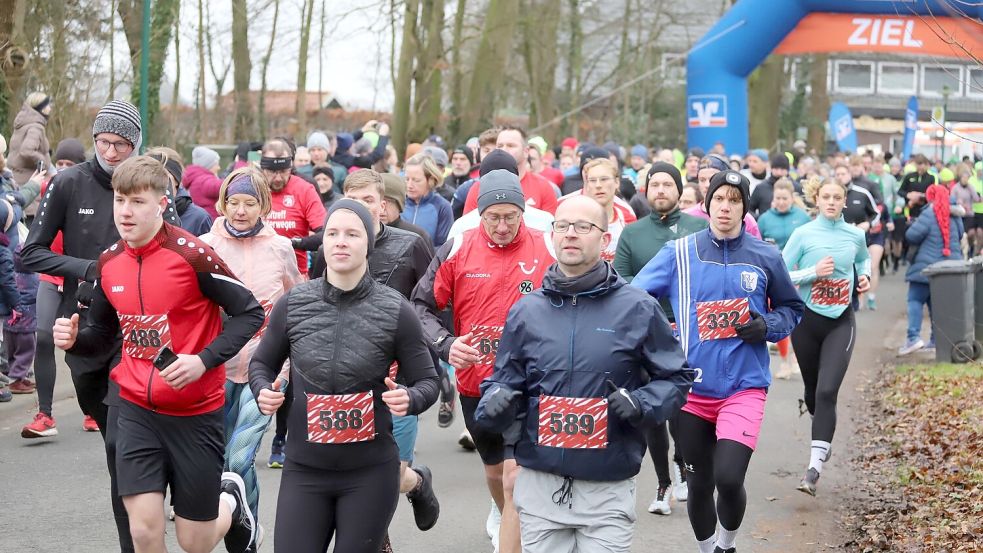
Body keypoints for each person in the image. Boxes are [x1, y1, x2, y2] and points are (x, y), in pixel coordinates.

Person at [52, 154, 265, 553]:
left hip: (195, 412)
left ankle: (231, 503)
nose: (125, 212)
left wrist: (202, 360)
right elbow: (101, 334)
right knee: (145, 532)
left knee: (194, 542)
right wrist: (75, 339)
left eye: (137, 201)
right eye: (119, 200)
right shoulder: (109, 262)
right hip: (134, 408)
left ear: (162, 204)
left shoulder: (192, 255)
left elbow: (249, 313)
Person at [473, 195, 692, 552]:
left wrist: (641, 403)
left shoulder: (638, 308)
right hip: (541, 485)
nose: (570, 234)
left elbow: (677, 378)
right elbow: (504, 381)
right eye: (562, 226)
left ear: (605, 240)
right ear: (552, 235)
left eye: (583, 227)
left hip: (607, 489)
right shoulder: (527, 311)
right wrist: (494, 402)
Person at [21, 99, 180, 551]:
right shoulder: (68, 183)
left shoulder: (153, 183)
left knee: (122, 447)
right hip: (86, 328)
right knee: (117, 446)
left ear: (137, 144)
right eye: (103, 142)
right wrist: (94, 268)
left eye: (121, 144)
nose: (110, 153)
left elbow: (177, 242)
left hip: (142, 330)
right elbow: (30, 252)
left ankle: (137, 536)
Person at [249, 199, 439, 552]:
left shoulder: (396, 310)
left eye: (352, 234)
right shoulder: (293, 305)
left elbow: (428, 381)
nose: (340, 241)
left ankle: (416, 482)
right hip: (305, 468)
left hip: (369, 471)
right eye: (332, 233)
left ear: (368, 243)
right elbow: (261, 364)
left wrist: (410, 398)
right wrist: (263, 389)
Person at [633, 170, 804, 553]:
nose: (725, 207)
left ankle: (727, 544)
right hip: (691, 390)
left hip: (744, 387)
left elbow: (793, 308)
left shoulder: (765, 256)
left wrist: (767, 325)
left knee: (728, 478)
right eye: (719, 199)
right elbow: (634, 298)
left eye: (734, 200)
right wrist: (665, 334)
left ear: (745, 208)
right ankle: (709, 549)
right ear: (707, 204)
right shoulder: (679, 252)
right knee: (699, 484)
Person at [412, 169, 555, 553]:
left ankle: (522, 535)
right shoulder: (459, 247)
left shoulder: (548, 247)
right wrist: (446, 344)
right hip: (477, 381)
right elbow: (421, 306)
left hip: (534, 382)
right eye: (494, 217)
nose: (503, 225)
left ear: (523, 213)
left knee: (516, 476)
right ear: (480, 214)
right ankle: (503, 514)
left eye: (511, 216)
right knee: (495, 472)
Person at [199, 166, 302, 529]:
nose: (240, 211)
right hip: (216, 366)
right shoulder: (206, 247)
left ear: (264, 206)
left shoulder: (280, 247)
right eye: (233, 202)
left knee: (240, 458)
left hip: (268, 366)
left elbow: (295, 300)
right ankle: (248, 530)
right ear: (223, 204)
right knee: (221, 462)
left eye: (249, 203)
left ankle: (242, 534)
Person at [613, 161, 708, 515]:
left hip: (690, 329)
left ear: (680, 190)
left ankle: (683, 465)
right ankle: (663, 482)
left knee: (682, 408)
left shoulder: (699, 228)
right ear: (646, 190)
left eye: (668, 184)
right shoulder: (633, 233)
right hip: (647, 330)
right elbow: (622, 282)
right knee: (651, 409)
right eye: (654, 185)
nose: (661, 191)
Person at [781, 175, 871, 495]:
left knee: (827, 391)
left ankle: (813, 470)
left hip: (840, 321)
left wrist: (866, 277)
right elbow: (780, 272)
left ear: (844, 201)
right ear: (816, 201)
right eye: (826, 197)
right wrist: (812, 272)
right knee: (812, 390)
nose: (832, 202)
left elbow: (862, 259)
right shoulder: (803, 235)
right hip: (806, 321)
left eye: (837, 197)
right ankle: (824, 434)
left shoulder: (854, 235)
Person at [899, 184, 965, 355]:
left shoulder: (929, 213)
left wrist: (913, 223)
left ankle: (913, 338)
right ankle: (936, 340)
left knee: (915, 299)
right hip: (950, 269)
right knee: (938, 305)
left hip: (925, 267)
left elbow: (912, 236)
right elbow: (959, 234)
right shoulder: (955, 213)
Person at [257, 139, 327, 276]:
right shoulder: (252, 188)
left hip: (295, 275)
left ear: (291, 168)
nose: (278, 178)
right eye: (272, 172)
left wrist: (295, 243)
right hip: (258, 273)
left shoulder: (304, 189)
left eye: (283, 172)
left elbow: (327, 233)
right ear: (263, 169)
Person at [463, 126, 559, 214]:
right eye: (500, 146)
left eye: (511, 145)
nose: (504, 149)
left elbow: (550, 228)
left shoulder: (544, 187)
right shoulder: (478, 188)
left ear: (526, 151)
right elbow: (467, 228)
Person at [557, 158, 636, 261]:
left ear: (616, 182)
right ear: (586, 185)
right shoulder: (566, 209)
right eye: (593, 180)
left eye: (604, 179)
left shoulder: (627, 216)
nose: (598, 185)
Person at [686, 154, 762, 239]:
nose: (707, 185)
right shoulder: (686, 216)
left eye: (712, 179)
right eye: (702, 180)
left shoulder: (747, 220)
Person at [147, 147, 213, 237]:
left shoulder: (199, 218)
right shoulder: (136, 212)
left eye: (164, 177)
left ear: (176, 181)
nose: (157, 182)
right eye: (150, 177)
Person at [402, 152, 453, 248]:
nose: (409, 185)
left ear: (431, 180)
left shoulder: (442, 207)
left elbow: (444, 247)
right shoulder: (399, 203)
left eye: (416, 180)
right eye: (406, 179)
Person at [7, 92, 52, 197]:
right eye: (48, 105)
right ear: (41, 107)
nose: (50, 108)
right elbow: (26, 150)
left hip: (17, 178)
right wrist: (44, 161)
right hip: (29, 182)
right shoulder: (36, 127)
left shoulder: (23, 124)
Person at [381, 172, 434, 249]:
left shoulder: (417, 237)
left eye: (388, 201)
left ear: (399, 205)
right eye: (377, 201)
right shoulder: (362, 234)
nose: (382, 208)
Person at [756, 178, 811, 251]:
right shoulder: (764, 219)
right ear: (773, 198)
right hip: (772, 261)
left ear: (792, 198)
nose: (781, 202)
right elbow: (757, 246)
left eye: (785, 198)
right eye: (778, 198)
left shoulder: (803, 217)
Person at [182, 146, 223, 219]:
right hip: (210, 224)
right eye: (216, 164)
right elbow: (222, 186)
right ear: (208, 165)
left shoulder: (196, 178)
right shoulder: (204, 181)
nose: (218, 167)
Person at [747, 154, 791, 219]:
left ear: (787, 170)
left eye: (782, 169)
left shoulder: (795, 187)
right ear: (771, 169)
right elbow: (749, 209)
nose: (779, 172)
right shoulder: (761, 188)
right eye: (776, 169)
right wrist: (761, 219)